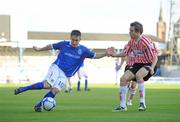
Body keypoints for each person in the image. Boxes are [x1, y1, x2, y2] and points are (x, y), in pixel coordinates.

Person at [14, 30, 111, 112]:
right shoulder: (63, 44)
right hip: (56, 67)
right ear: (70, 38)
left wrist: (105, 54)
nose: (74, 42)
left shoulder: (84, 50)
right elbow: (51, 46)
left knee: (55, 90)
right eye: (73, 40)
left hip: (65, 75)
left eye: (76, 40)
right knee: (48, 85)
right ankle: (23, 89)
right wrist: (39, 49)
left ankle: (38, 105)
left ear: (80, 40)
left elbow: (95, 56)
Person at [110, 21, 158, 112]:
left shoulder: (146, 42)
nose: (129, 32)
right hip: (138, 64)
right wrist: (114, 55)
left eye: (131, 31)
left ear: (138, 32)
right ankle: (122, 106)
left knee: (139, 75)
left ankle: (142, 104)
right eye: (129, 30)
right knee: (123, 78)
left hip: (149, 63)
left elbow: (155, 56)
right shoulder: (131, 42)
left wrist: (152, 67)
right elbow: (125, 52)